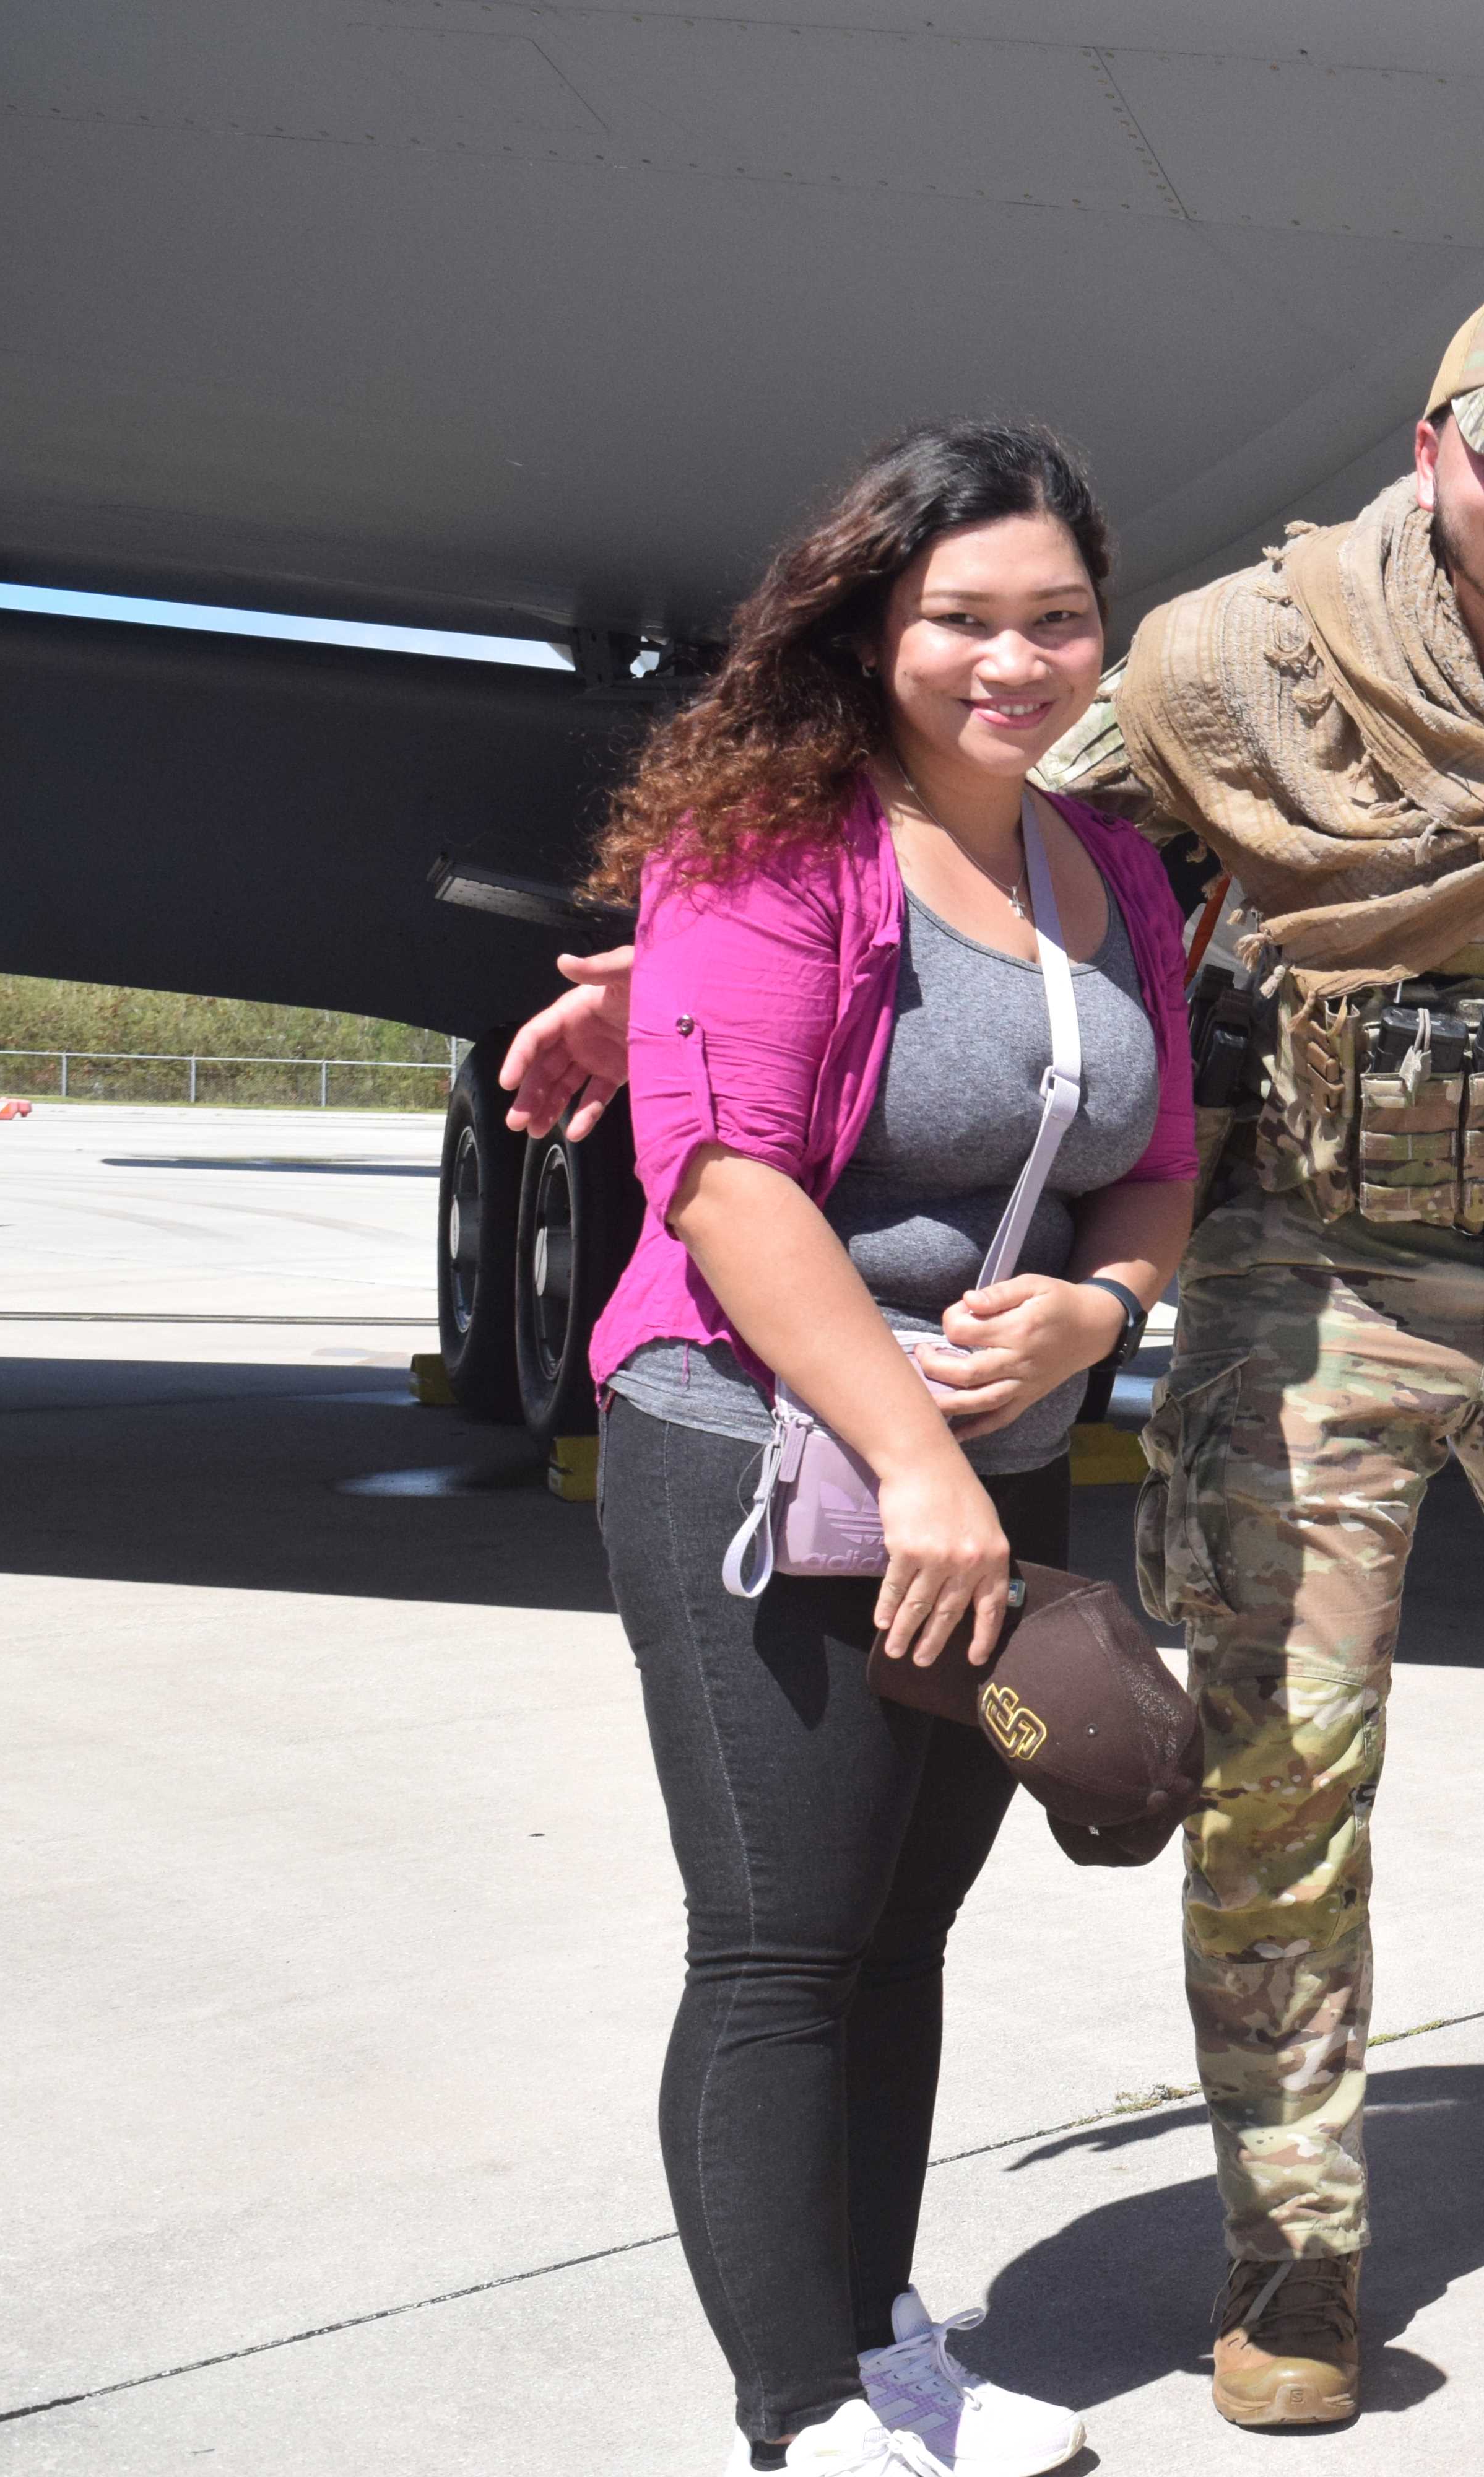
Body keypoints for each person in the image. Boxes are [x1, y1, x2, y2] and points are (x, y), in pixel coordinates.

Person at [494, 279, 1484, 2429]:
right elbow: (957, 807)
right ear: (1433, 454)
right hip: (1309, 1275)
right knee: (1272, 1774)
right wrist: (676, 974)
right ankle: (1295, 2259)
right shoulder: (1233, 661)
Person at [583, 420, 1195, 2476]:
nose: (1012, 661)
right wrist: (920, 1463)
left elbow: (1160, 1160)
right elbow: (728, 1185)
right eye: (962, 620)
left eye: (1056, 621)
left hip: (991, 1456)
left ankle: (879, 2340)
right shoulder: (773, 843)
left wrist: (1102, 1313)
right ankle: (797, 2412)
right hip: (753, 1444)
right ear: (875, 625)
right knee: (779, 1937)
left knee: (905, 1929)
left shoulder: (1102, 866)